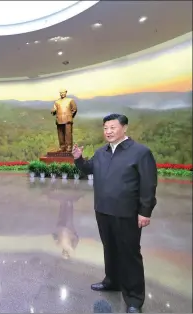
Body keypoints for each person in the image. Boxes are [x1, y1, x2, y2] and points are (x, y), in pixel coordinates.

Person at [72, 113, 157, 314]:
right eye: (105, 128)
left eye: (112, 127)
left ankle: (134, 298)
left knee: (129, 254)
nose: (108, 131)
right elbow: (88, 169)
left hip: (127, 213)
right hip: (103, 210)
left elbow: (148, 184)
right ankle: (112, 282)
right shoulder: (101, 153)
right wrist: (78, 159)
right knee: (110, 249)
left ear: (124, 128)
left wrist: (145, 211)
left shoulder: (140, 152)